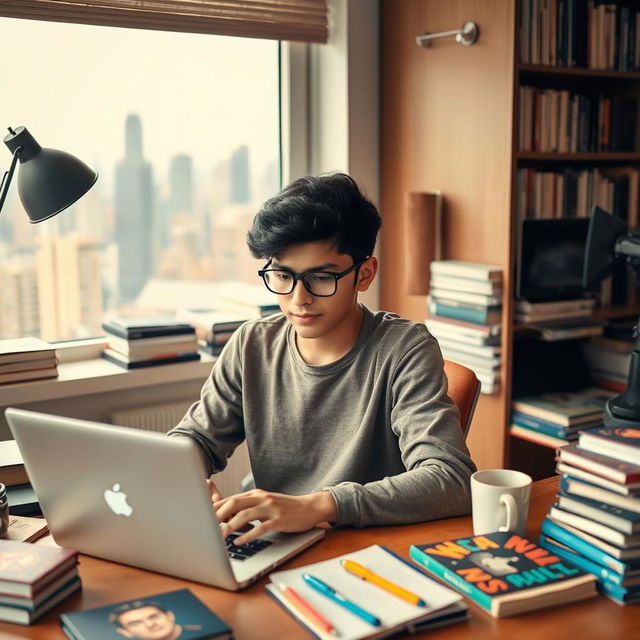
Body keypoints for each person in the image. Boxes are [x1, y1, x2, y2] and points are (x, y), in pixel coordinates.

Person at [168, 172, 476, 545]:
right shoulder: (252, 344)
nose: (299, 298)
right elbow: (196, 439)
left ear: (364, 274)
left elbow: (451, 479)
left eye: (321, 277)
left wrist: (321, 506)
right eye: (282, 275)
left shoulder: (404, 349)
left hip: (366, 548)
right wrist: (187, 478)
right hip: (275, 543)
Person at [109, 600, 203, 640]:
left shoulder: (203, 631)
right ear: (125, 632)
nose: (150, 624)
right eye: (135, 623)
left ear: (170, 616)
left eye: (153, 617)